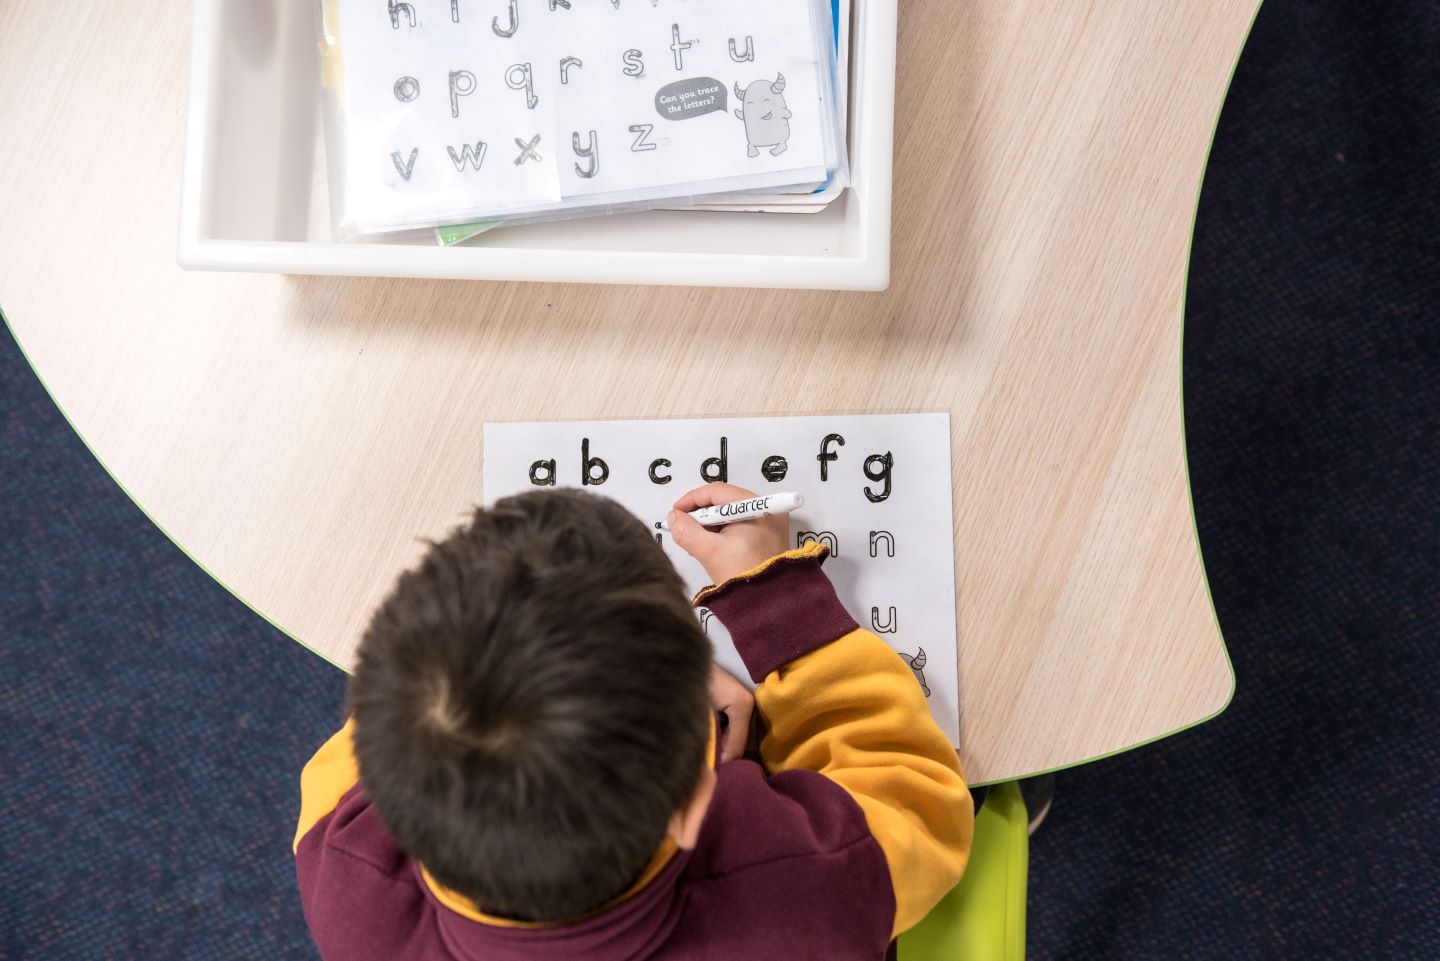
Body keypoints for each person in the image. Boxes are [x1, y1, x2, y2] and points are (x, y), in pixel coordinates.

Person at [294, 483, 973, 960]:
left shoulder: (346, 877)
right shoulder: (803, 886)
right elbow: (915, 794)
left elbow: (385, 733)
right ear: (693, 797)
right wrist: (774, 597)